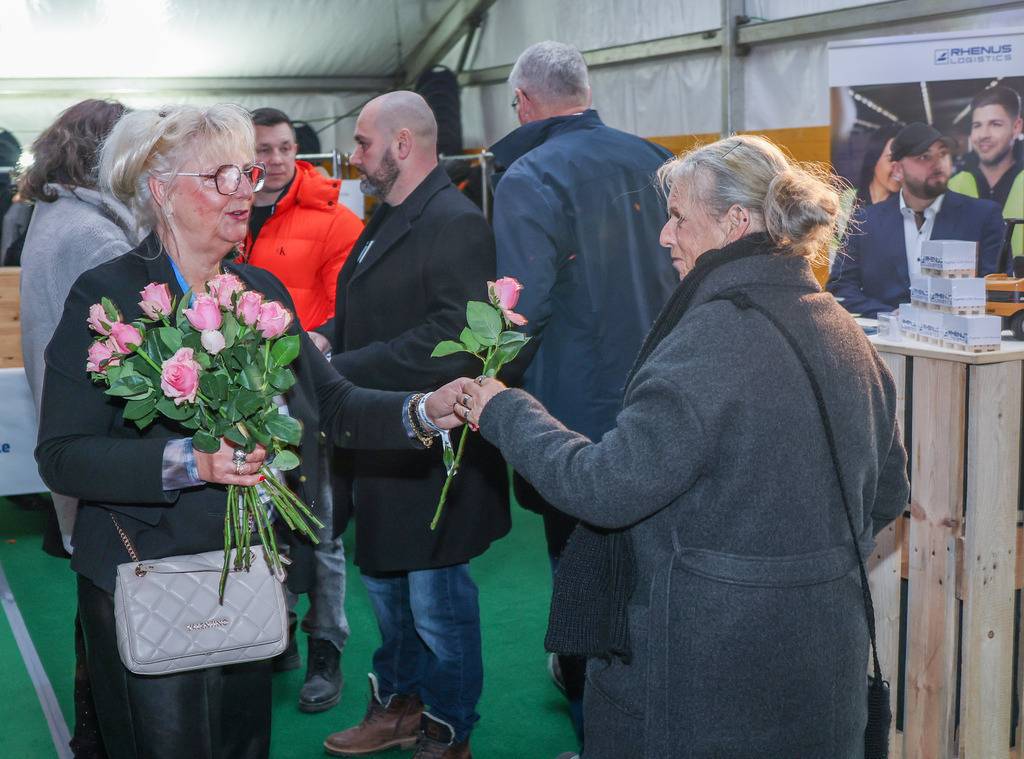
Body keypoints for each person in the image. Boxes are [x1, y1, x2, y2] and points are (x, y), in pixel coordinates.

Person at [449, 134, 910, 758]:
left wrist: (505, 410)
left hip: (704, 681)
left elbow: (603, 489)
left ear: (736, 222)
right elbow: (887, 492)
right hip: (823, 668)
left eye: (678, 218)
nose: (665, 236)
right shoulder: (842, 329)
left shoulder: (709, 342)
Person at [33, 103, 461, 759]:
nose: (245, 190)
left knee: (243, 746)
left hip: (246, 576)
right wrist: (189, 460)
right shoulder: (108, 296)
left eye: (247, 173)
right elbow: (62, 456)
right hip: (147, 577)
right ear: (161, 190)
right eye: (221, 176)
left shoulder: (260, 291)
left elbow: (332, 403)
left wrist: (425, 409)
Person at [488, 40, 676, 746]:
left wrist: (488, 384)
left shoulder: (529, 175)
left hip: (573, 418)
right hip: (667, 399)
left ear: (523, 103)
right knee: (656, 580)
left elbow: (520, 310)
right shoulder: (659, 160)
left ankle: (596, 735)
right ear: (587, 93)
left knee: (581, 593)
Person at [322, 91, 509, 759]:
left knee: (436, 606)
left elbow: (452, 341)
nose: (354, 154)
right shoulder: (389, 213)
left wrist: (339, 367)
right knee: (387, 587)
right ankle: (401, 703)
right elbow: (371, 309)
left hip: (435, 452)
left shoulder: (456, 222)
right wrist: (325, 338)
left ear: (402, 145)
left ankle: (448, 728)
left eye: (363, 142)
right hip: (384, 441)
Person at [18, 98, 132, 759]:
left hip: (70, 436)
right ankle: (103, 733)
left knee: (95, 600)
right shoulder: (94, 236)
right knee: (116, 608)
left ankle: (92, 729)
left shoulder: (53, 215)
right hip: (105, 445)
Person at [240, 106, 364, 713]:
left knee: (321, 527)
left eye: (284, 147)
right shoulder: (228, 213)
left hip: (309, 396)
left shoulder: (336, 219)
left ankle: (327, 644)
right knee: (259, 521)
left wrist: (318, 341)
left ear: (298, 151)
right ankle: (278, 630)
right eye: (262, 149)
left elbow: (350, 306)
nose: (274, 159)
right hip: (245, 399)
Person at [828, 121, 1006, 318]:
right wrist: (891, 315)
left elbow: (997, 290)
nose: (938, 163)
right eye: (924, 157)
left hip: (956, 333)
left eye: (943, 153)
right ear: (897, 170)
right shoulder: (864, 221)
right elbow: (841, 289)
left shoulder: (982, 216)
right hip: (887, 334)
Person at [949, 85, 1023, 257]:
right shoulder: (953, 186)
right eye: (977, 125)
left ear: (1016, 127)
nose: (983, 135)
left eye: (995, 124)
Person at [854, 124, 901, 207]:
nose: (900, 169)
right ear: (874, 160)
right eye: (892, 159)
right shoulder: (848, 199)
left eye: (903, 161)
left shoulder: (906, 206)